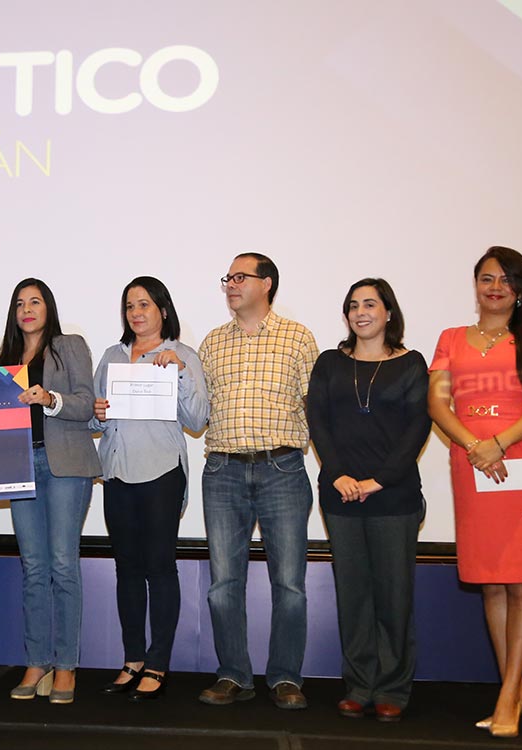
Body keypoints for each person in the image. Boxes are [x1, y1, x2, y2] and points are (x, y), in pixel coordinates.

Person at [428, 247, 522, 739]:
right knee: (491, 581)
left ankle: (508, 694)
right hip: (473, 467)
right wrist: (475, 446)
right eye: (487, 278)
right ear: (476, 284)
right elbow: (438, 404)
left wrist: (499, 443)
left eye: (506, 280)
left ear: (520, 289)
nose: (496, 287)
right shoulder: (451, 339)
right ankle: (517, 687)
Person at [196, 252, 318, 709]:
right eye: (227, 278)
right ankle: (233, 674)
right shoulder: (212, 342)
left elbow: (314, 407)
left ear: (266, 284)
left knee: (289, 583)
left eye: (240, 277)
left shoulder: (298, 337)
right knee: (223, 584)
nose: (231, 284)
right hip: (222, 470)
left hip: (281, 469)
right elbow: (197, 410)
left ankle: (286, 677)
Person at [307, 279, 430, 723]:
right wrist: (338, 474)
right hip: (340, 495)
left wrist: (379, 480)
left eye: (370, 304)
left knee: (393, 595)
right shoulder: (330, 363)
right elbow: (318, 420)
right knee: (354, 594)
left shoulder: (412, 364)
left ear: (388, 312)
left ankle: (393, 687)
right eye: (353, 305)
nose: (361, 312)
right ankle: (359, 685)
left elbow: (418, 427)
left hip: (393, 497)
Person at [91, 277, 209, 701]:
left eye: (144, 304)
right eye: (129, 306)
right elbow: (94, 421)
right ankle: (133, 659)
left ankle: (158, 663)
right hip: (117, 472)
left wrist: (179, 373)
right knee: (126, 568)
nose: (136, 313)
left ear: (163, 309)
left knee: (159, 567)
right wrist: (97, 412)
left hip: (161, 471)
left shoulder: (183, 355)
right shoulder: (111, 356)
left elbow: (198, 419)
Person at [0, 278, 100, 704]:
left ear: (48, 307)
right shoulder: (4, 360)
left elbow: (86, 402)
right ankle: (37, 661)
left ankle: (66, 666)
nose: (27, 309)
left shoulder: (68, 346)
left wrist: (49, 398)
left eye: (35, 301)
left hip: (65, 467)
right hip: (21, 468)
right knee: (34, 568)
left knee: (62, 564)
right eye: (20, 303)